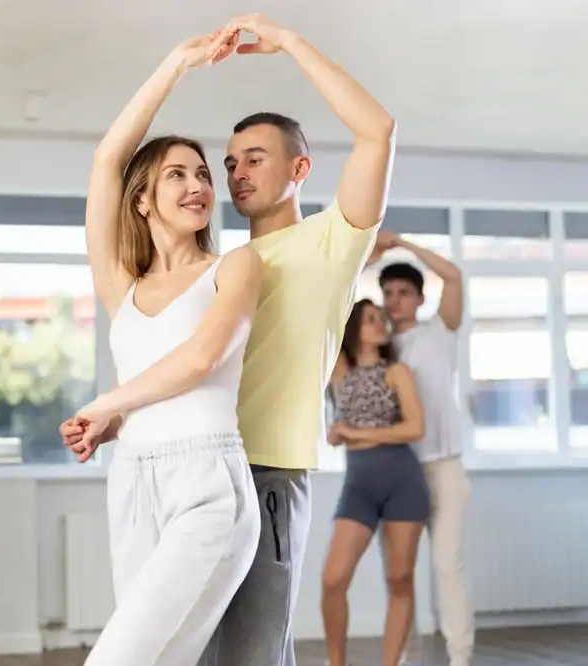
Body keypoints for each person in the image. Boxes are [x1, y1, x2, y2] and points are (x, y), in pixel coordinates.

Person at [62, 12, 396, 666]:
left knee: (252, 656)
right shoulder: (221, 266)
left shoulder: (332, 241)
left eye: (256, 159)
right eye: (229, 163)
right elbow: (108, 169)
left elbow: (378, 131)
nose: (234, 173)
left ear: (300, 167)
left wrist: (292, 43)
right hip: (175, 466)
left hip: (265, 469)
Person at [62, 29, 263, 666]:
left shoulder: (235, 268)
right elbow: (104, 163)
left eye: (202, 174)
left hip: (209, 485)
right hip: (134, 483)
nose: (197, 184)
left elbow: (201, 359)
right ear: (142, 199)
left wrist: (106, 404)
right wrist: (177, 63)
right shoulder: (123, 285)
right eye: (175, 174)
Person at [371, 231, 472, 666]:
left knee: (448, 566)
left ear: (418, 297)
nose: (394, 300)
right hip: (399, 474)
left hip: (444, 469)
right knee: (399, 575)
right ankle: (404, 658)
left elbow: (454, 277)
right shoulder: (378, 346)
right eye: (388, 293)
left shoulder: (440, 330)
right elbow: (334, 308)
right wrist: (371, 255)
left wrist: (403, 246)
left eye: (403, 292)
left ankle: (460, 657)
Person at [322, 298, 429, 666]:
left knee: (399, 579)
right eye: (370, 319)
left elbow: (415, 428)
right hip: (359, 487)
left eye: (380, 318)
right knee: (334, 580)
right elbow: (325, 310)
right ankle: (337, 663)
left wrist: (355, 433)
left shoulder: (396, 371)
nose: (380, 323)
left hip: (404, 482)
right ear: (354, 328)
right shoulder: (338, 368)